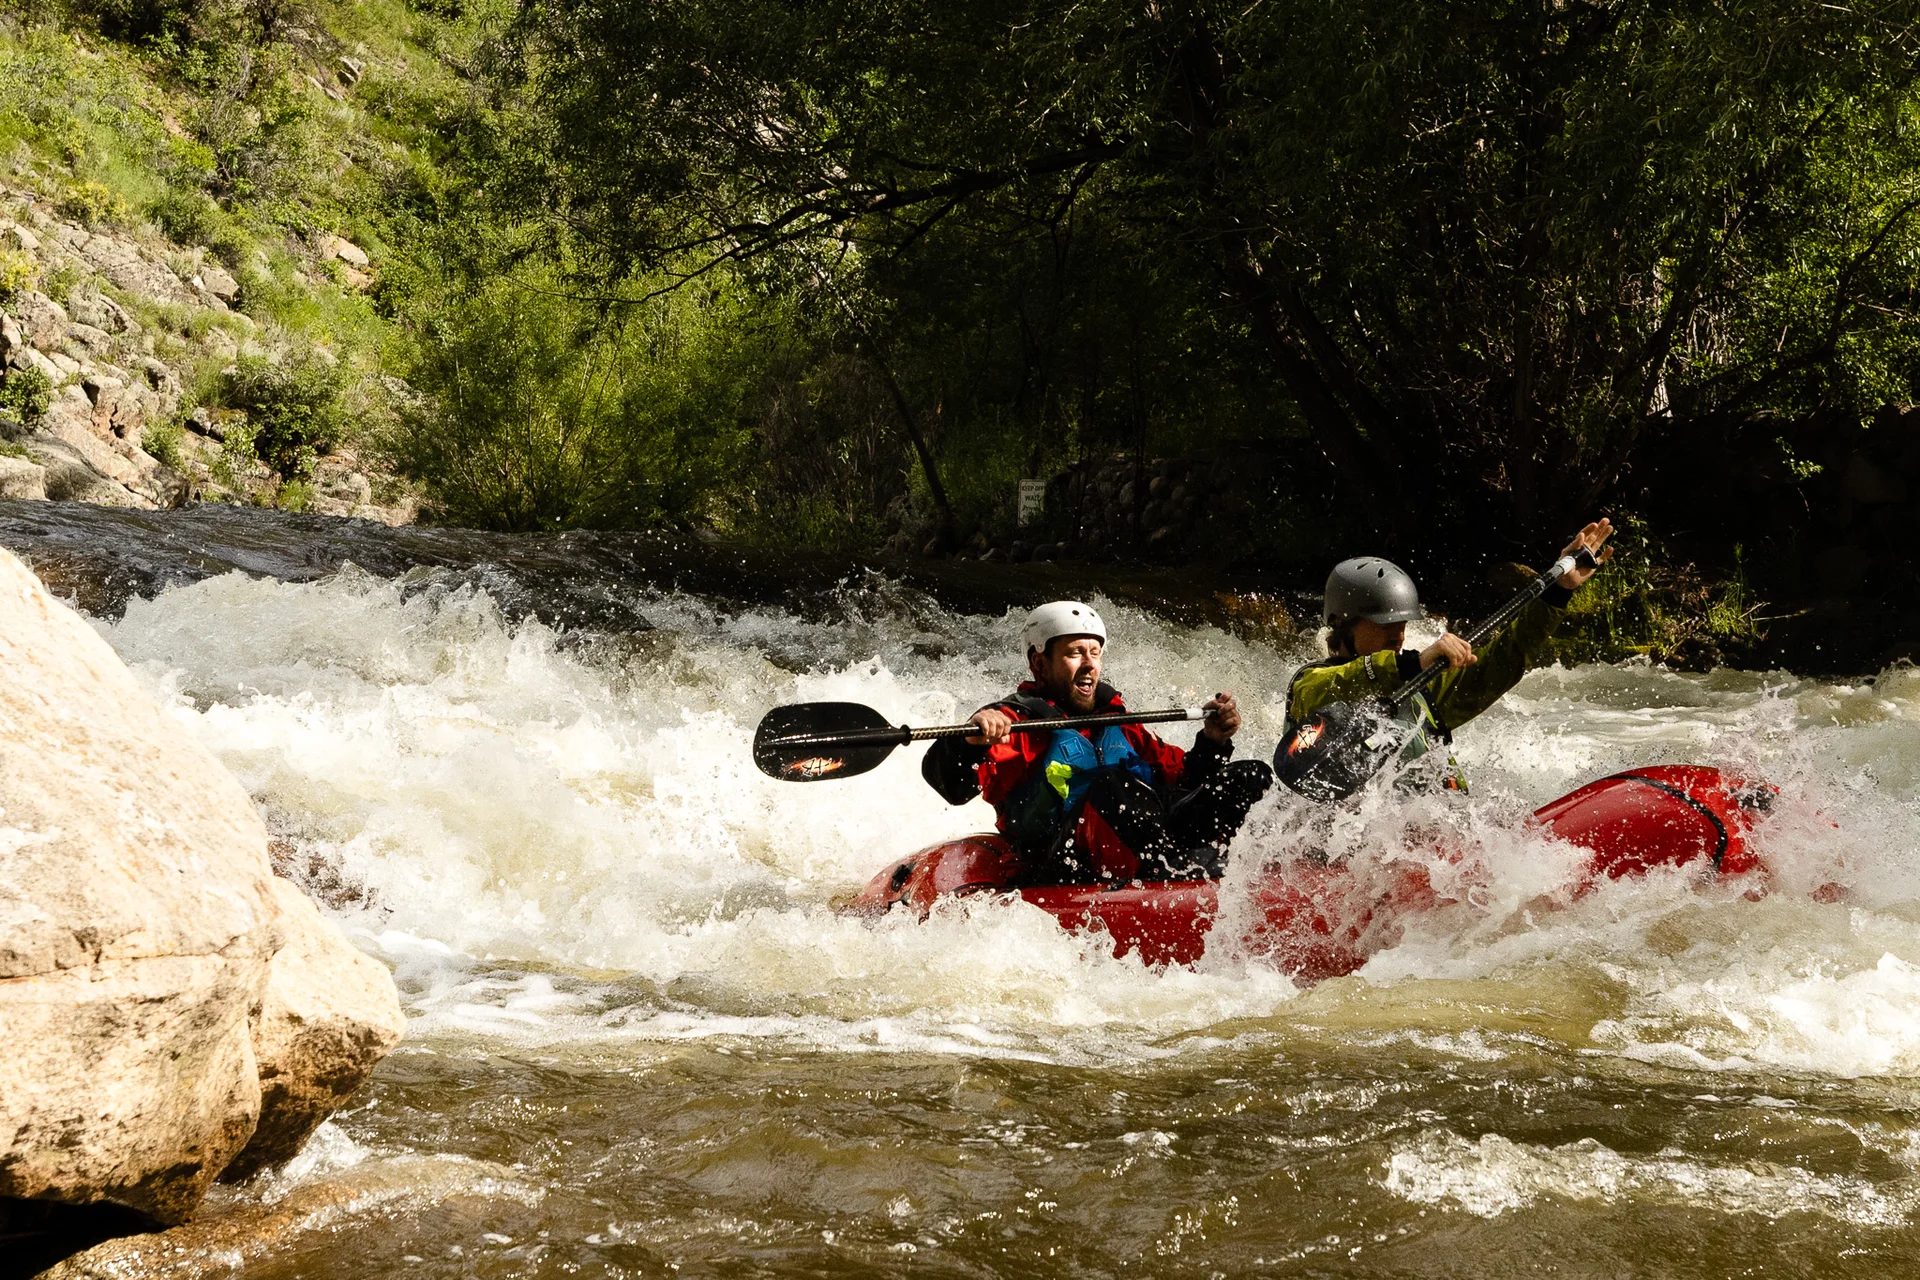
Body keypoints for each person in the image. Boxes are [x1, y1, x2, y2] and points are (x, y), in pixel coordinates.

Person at [922, 601, 1273, 882]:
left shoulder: (1118, 720)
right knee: (1112, 785)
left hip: (1150, 851)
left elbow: (1184, 783)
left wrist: (1212, 742)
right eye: (1075, 652)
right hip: (1062, 864)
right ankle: (1173, 872)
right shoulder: (1016, 724)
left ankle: (1210, 869)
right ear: (1039, 662)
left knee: (1250, 775)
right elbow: (951, 786)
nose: (1090, 664)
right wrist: (969, 742)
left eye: (1095, 653)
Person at [1284, 520, 1615, 789]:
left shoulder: (1424, 688)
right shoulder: (1311, 685)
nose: (1398, 635)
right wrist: (1413, 663)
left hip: (1434, 844)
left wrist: (1558, 593)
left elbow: (1507, 658)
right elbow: (1343, 681)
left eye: (1401, 624)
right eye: (1384, 625)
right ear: (1343, 624)